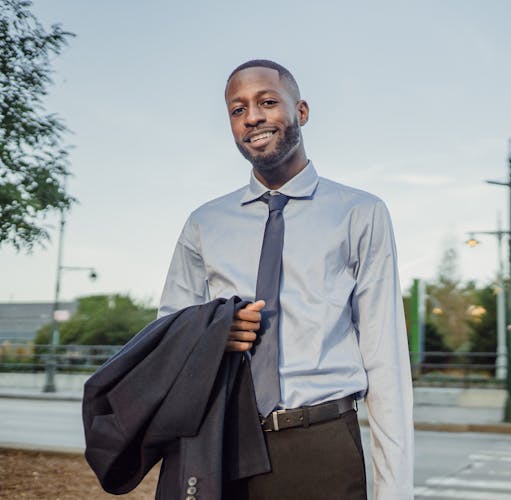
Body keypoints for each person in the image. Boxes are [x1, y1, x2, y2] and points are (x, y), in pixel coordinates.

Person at [158, 59, 414, 499]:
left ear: (302, 111)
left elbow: (385, 358)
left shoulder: (360, 213)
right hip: (222, 444)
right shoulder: (204, 223)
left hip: (321, 445)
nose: (252, 117)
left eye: (268, 102)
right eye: (237, 110)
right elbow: (167, 338)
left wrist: (395, 491)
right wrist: (212, 333)